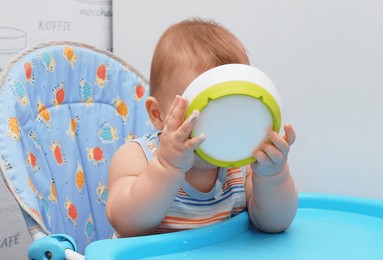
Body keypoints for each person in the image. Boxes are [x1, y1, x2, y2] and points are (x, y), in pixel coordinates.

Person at [106, 18, 298, 237]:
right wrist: (167, 166)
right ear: (157, 115)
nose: (221, 125)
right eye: (200, 112)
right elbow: (127, 223)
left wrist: (273, 176)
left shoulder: (240, 168)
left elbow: (274, 224)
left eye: (234, 111)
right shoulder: (137, 156)